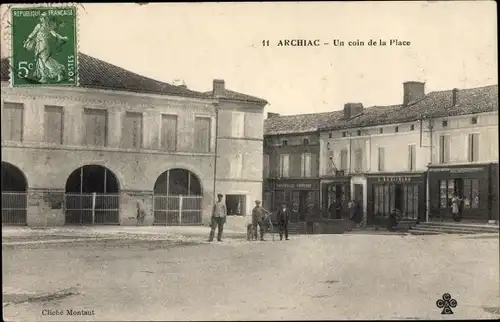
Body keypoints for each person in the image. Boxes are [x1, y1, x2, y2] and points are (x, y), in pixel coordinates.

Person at [23, 12, 68, 83]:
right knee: (40, 59)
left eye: (43, 17)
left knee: (45, 59)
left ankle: (58, 71)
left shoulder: (48, 26)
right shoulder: (39, 25)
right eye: (41, 17)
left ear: (46, 18)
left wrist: (61, 38)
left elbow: (54, 34)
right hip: (38, 44)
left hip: (44, 44)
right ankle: (44, 77)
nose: (41, 18)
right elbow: (33, 34)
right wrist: (27, 41)